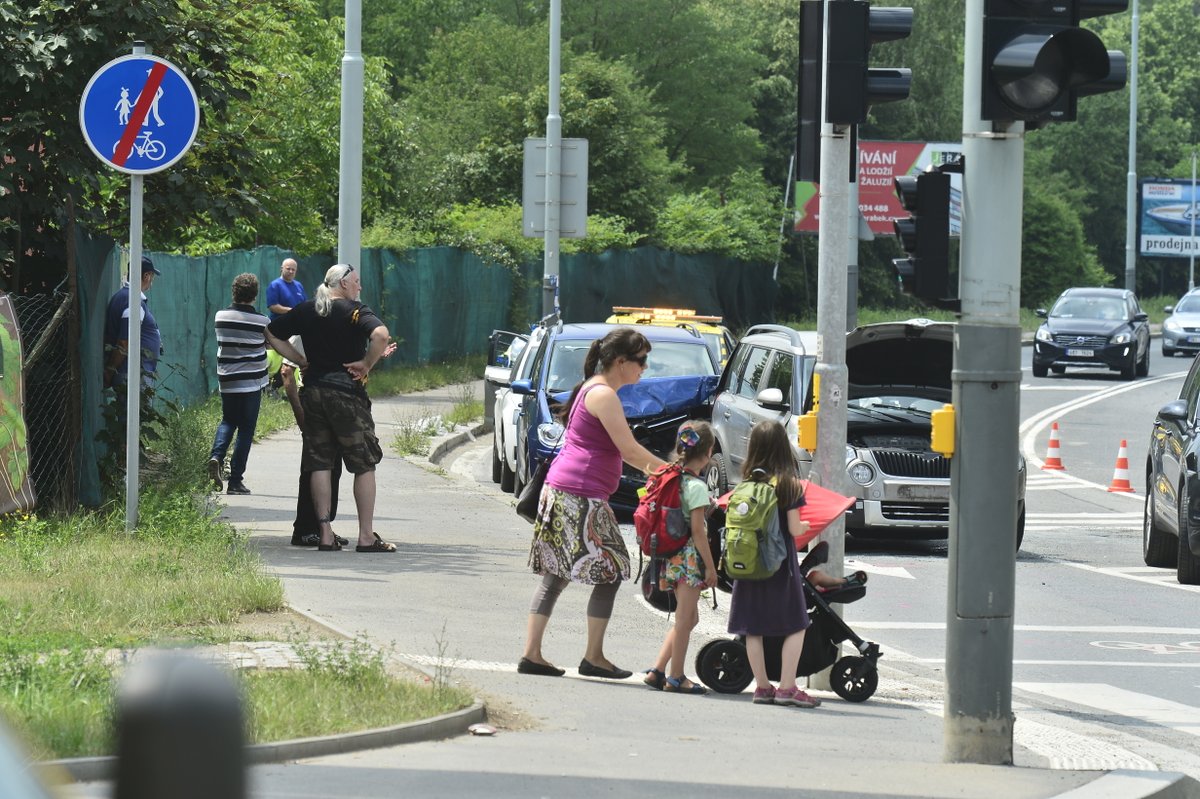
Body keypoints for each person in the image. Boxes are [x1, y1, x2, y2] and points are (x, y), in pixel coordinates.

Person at [519, 327, 669, 679]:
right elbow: (629, 450)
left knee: (556, 575)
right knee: (613, 569)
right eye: (641, 361)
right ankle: (592, 657)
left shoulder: (592, 388)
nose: (644, 368)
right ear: (621, 362)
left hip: (566, 491)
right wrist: (673, 472)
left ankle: (533, 654)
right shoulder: (603, 395)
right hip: (579, 496)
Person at [265, 263, 395, 554]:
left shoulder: (307, 309)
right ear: (344, 284)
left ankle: (324, 534)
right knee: (364, 463)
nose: (360, 287)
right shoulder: (356, 310)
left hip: (313, 393)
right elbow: (381, 335)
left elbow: (271, 333)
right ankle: (365, 536)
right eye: (357, 282)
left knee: (320, 461)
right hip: (346, 396)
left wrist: (299, 359)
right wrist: (366, 364)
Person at [726, 420, 822, 709]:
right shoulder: (789, 485)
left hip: (747, 566)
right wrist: (805, 523)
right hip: (779, 568)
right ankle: (788, 687)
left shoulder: (745, 485)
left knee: (752, 628)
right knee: (797, 624)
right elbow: (794, 529)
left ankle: (763, 687)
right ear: (783, 448)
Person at [643, 420, 719, 695]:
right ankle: (676, 677)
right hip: (688, 559)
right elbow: (698, 533)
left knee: (690, 619)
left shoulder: (673, 477)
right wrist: (711, 568)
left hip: (669, 556)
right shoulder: (697, 487)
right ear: (709, 452)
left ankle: (657, 670)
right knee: (685, 621)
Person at [206, 273, 269, 495]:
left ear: (234, 291)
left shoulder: (220, 316)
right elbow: (270, 343)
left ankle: (216, 456)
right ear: (254, 294)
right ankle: (235, 481)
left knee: (228, 420)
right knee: (246, 429)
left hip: (228, 380)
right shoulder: (262, 321)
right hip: (251, 383)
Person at [103, 256, 162, 390]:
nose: (151, 281)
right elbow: (124, 342)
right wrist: (110, 371)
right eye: (152, 276)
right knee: (138, 411)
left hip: (132, 373)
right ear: (146, 275)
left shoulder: (124, 296)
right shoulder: (132, 300)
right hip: (133, 374)